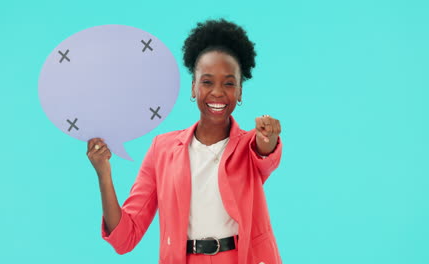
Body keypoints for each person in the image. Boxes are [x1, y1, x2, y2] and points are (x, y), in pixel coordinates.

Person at [87, 18, 283, 264]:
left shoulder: (250, 144)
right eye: (207, 81)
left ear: (240, 91)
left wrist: (270, 138)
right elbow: (125, 237)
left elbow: (265, 153)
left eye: (229, 83)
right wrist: (104, 173)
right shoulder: (163, 149)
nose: (218, 92)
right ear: (193, 88)